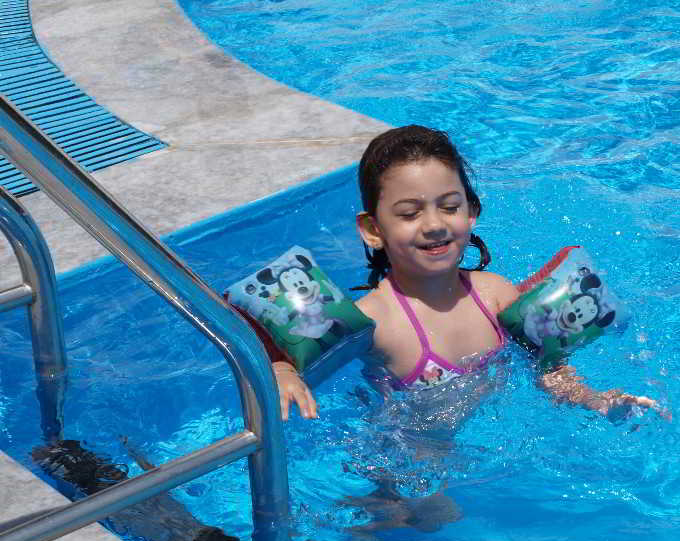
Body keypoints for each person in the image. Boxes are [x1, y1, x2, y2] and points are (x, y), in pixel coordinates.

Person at [272, 125, 657, 420]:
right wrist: (282, 371)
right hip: (409, 453)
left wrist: (597, 400)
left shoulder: (495, 295)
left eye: (450, 207)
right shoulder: (375, 321)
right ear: (373, 230)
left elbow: (549, 371)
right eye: (409, 213)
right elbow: (290, 350)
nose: (434, 224)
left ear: (471, 212)